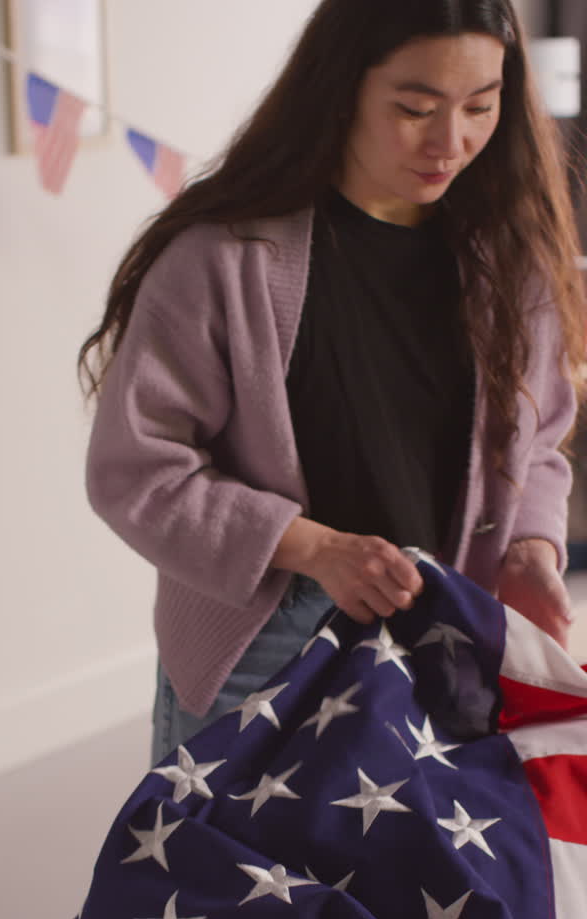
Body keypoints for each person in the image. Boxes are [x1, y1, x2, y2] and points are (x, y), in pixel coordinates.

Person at [80, 0, 586, 765]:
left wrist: (529, 550)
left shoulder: (508, 257)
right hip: (266, 644)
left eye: (481, 106)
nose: (452, 142)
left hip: (445, 632)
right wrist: (315, 549)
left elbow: (540, 438)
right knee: (239, 883)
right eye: (415, 108)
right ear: (341, 88)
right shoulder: (223, 258)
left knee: (426, 884)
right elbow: (137, 471)